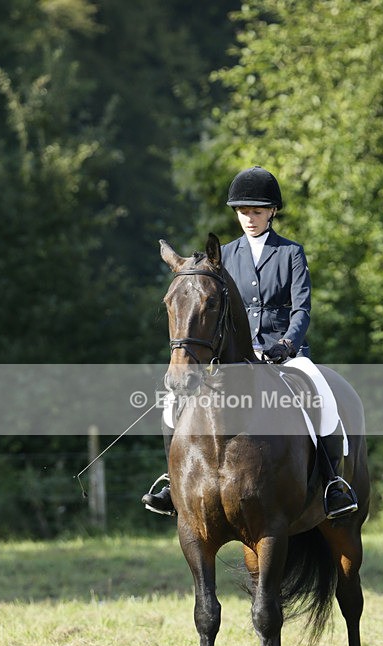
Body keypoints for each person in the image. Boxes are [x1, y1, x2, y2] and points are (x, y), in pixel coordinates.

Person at [142, 166, 358, 519]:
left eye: (257, 211)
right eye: (244, 212)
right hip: (233, 356)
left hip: (283, 353)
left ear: (272, 211)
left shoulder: (291, 254)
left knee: (322, 394)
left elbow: (301, 309)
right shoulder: (222, 257)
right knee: (172, 402)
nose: (250, 218)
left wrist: (287, 344)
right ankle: (170, 479)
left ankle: (333, 483)